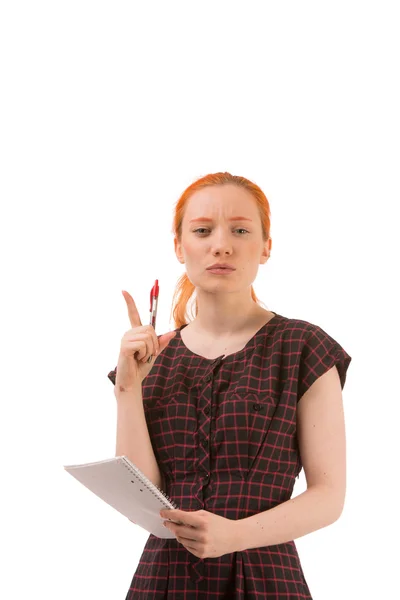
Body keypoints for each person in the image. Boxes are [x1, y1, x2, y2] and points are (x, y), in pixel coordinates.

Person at [110, 171, 352, 599]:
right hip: (162, 580)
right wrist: (127, 391)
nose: (221, 244)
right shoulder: (154, 356)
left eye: (241, 230)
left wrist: (233, 536)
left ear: (266, 247)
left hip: (264, 578)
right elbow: (144, 497)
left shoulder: (302, 347)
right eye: (202, 231)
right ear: (179, 247)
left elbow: (328, 497)